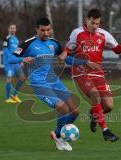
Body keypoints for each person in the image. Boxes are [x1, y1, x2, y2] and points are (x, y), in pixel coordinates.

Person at [9, 17, 96, 151]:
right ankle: (59, 138)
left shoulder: (54, 43)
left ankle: (56, 134)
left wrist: (85, 62)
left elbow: (65, 57)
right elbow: (11, 58)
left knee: (75, 111)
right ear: (36, 29)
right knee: (63, 108)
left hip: (54, 81)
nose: (46, 33)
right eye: (42, 30)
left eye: (48, 30)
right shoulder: (29, 43)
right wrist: (23, 58)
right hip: (39, 84)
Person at [60, 9, 121, 142]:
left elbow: (117, 49)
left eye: (98, 24)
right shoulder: (77, 33)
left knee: (108, 106)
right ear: (87, 20)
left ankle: (93, 115)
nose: (95, 26)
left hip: (98, 73)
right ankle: (106, 131)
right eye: (93, 23)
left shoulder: (103, 34)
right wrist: (70, 56)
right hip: (81, 72)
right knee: (94, 94)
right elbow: (67, 50)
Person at [3, 23, 25, 103]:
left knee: (22, 78)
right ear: (9, 29)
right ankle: (8, 98)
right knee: (9, 79)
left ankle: (14, 95)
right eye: (11, 28)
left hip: (16, 63)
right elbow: (5, 50)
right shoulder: (7, 38)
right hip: (9, 63)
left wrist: (20, 60)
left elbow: (17, 51)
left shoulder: (16, 39)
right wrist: (11, 58)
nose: (12, 29)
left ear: (15, 30)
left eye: (14, 28)